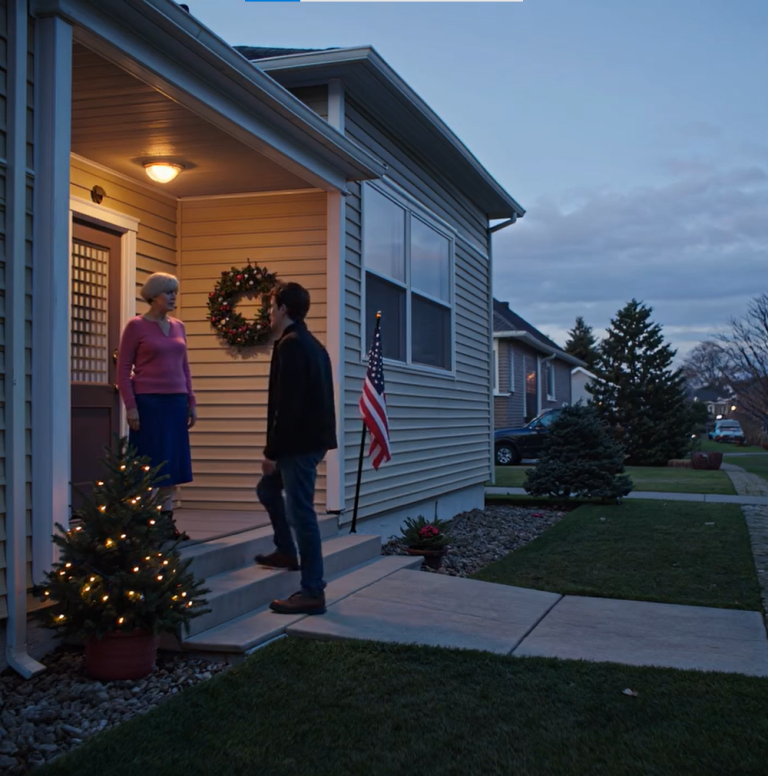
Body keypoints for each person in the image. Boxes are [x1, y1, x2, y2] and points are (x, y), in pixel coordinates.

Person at [255, 281, 337, 615]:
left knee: (302, 514)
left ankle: (312, 591)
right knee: (267, 489)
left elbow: (287, 406)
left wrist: (272, 453)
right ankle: (286, 551)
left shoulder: (292, 346)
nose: (269, 312)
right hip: (310, 441)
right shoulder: (311, 344)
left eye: (271, 305)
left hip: (298, 444)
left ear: (283, 309)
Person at [117, 272, 197, 540]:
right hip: (148, 403)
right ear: (153, 296)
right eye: (169, 292)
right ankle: (142, 523)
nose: (174, 297)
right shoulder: (136, 326)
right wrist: (131, 406)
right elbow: (123, 369)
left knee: (171, 463)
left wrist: (191, 401)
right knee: (148, 463)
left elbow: (184, 367)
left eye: (175, 292)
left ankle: (165, 523)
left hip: (176, 402)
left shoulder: (178, 326)